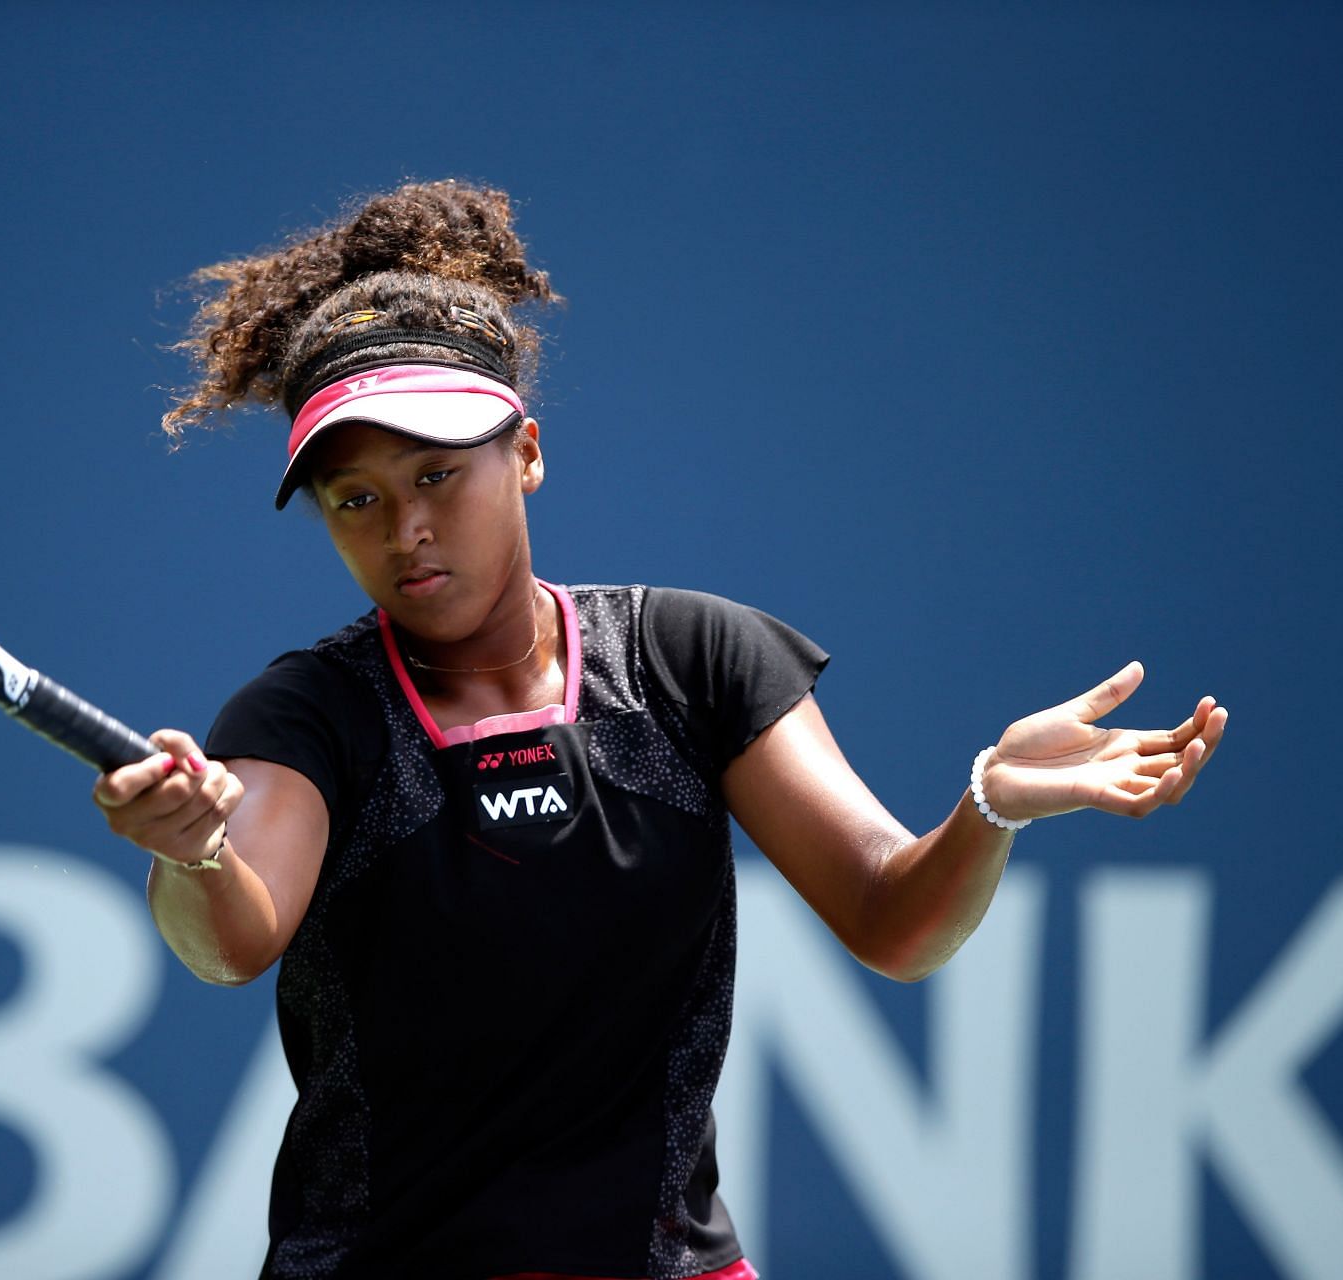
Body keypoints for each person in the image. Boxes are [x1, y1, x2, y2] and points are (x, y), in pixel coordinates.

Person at [92, 180, 1226, 1280]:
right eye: (359, 498)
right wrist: (192, 846)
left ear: (525, 452)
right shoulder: (309, 711)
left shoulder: (693, 664)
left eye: (439, 473)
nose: (408, 528)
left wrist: (988, 802)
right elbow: (230, 939)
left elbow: (895, 919)